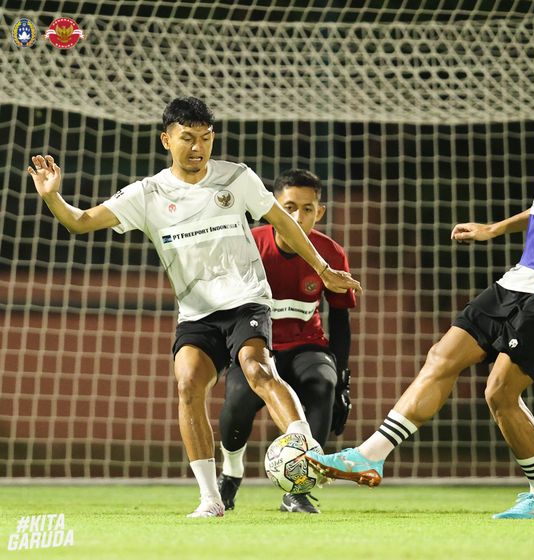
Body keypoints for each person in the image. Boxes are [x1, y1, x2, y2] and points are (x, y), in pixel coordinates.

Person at [306, 61, 534, 519]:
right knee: (442, 356)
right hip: (515, 280)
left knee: (499, 393)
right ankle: (370, 455)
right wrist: (496, 228)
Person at [27, 97, 361, 518]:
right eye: (188, 138)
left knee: (257, 369)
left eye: (205, 137)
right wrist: (53, 197)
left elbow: (283, 222)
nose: (198, 147)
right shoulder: (146, 194)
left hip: (246, 299)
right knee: (187, 384)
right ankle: (211, 498)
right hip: (197, 312)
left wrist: (323, 268)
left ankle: (303, 448)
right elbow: (80, 221)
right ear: (167, 139)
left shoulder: (236, 177)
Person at [217, 169, 356, 514]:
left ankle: (299, 489)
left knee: (323, 384)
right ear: (272, 207)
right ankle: (231, 475)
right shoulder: (250, 246)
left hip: (306, 346)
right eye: (289, 207)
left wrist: (342, 376)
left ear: (319, 212)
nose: (298, 216)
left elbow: (340, 319)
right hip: (255, 345)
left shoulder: (331, 254)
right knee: (237, 399)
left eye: (307, 209)